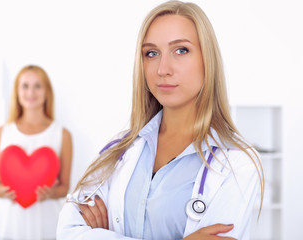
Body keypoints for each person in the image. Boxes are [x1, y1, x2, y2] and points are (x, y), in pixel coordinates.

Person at [56, 1, 263, 240]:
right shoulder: (120, 149)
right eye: (151, 53)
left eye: (181, 50)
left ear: (208, 60)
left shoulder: (238, 162)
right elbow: (68, 231)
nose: (163, 69)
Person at [0, 65, 73, 240]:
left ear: (46, 91)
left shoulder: (62, 134)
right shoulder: (2, 132)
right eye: (25, 86)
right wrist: (5, 191)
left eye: (37, 86)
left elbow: (64, 187)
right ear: (17, 92)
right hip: (8, 227)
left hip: (46, 228)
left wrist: (50, 193)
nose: (31, 92)